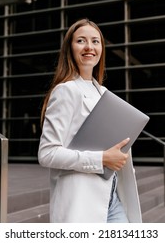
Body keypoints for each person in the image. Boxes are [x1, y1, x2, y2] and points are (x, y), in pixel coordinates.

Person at [38, 18, 142, 223]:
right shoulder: (66, 91)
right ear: (70, 48)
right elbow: (47, 153)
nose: (89, 47)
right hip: (82, 202)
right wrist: (101, 158)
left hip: (112, 198)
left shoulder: (103, 93)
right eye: (81, 41)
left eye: (95, 41)